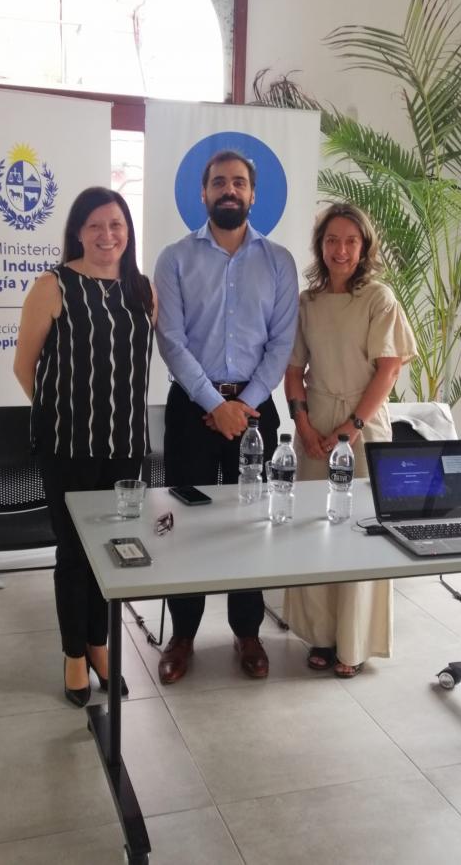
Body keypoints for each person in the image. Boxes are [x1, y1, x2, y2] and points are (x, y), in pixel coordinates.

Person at [154, 149, 299, 684]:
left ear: (253, 194)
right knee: (183, 523)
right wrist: (215, 405)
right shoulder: (173, 258)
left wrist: (246, 406)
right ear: (204, 193)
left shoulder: (279, 261)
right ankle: (183, 634)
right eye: (219, 183)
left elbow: (281, 343)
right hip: (192, 408)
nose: (229, 190)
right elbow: (170, 340)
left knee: (251, 522)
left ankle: (247, 632)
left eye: (239, 182)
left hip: (257, 410)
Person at [14, 187, 156, 707]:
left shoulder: (144, 289)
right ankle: (74, 653)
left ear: (128, 230)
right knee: (74, 553)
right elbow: (23, 366)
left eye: (116, 224)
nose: (107, 235)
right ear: (78, 230)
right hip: (68, 447)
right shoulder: (53, 285)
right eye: (95, 225)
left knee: (113, 552)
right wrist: (62, 416)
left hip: (125, 447)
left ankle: (101, 645)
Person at [283, 202, 416, 678]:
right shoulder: (307, 302)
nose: (341, 250)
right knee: (316, 530)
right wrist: (304, 427)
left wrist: (350, 428)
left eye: (351, 241)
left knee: (360, 534)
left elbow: (389, 368)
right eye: (332, 240)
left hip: (364, 427)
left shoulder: (379, 298)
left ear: (364, 248)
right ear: (321, 246)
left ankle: (353, 644)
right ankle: (320, 636)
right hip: (315, 426)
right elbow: (293, 369)